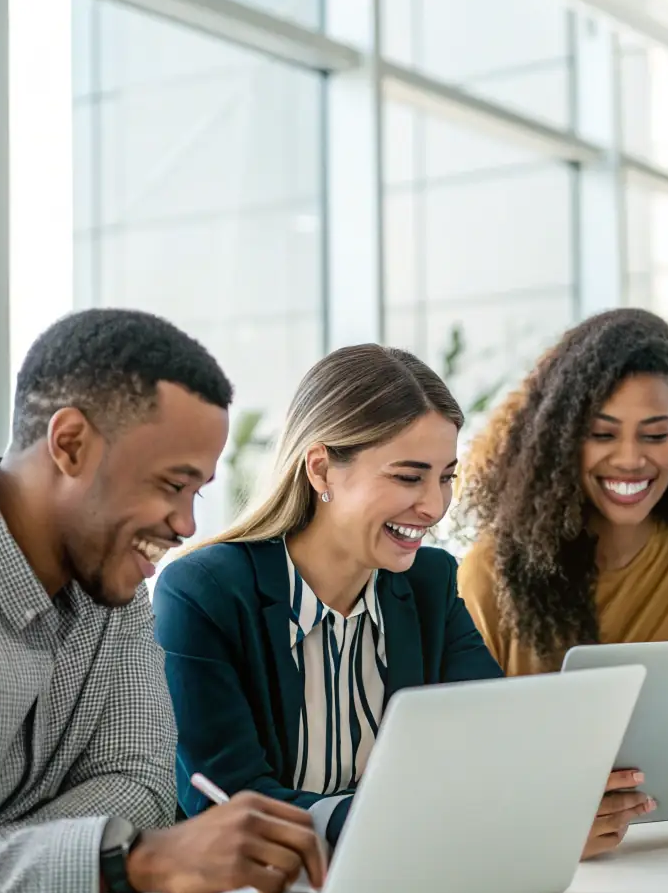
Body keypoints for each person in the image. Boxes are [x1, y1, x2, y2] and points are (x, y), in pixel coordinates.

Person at [0, 309, 325, 893]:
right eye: (171, 484)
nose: (185, 525)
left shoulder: (117, 593)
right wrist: (126, 861)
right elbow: (134, 838)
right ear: (70, 444)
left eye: (197, 493)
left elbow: (141, 791)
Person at [154, 344, 504, 852]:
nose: (434, 506)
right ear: (320, 469)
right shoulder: (202, 593)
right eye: (408, 476)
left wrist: (563, 798)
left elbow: (494, 741)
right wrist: (403, 821)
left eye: (446, 477)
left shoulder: (429, 581)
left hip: (405, 878)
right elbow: (231, 803)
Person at [456, 308, 668, 852]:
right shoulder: (489, 572)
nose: (630, 460)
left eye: (654, 434)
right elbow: (461, 777)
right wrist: (546, 823)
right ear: (563, 436)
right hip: (542, 885)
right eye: (602, 433)